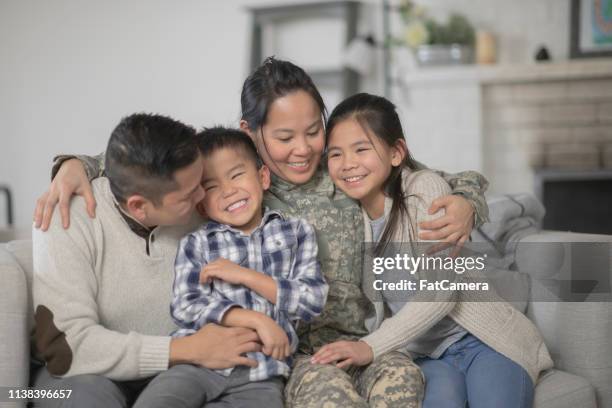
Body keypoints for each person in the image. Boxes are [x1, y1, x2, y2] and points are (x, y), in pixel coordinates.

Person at [34, 57, 490, 407]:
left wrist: (468, 200)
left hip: (364, 339)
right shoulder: (233, 183)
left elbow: (424, 173)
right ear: (250, 135)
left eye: (314, 131)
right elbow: (149, 161)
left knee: (404, 387)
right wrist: (76, 164)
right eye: (284, 138)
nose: (303, 150)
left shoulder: (344, 169)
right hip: (293, 355)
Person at [317, 93, 553, 408]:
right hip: (426, 356)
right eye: (336, 154)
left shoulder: (425, 190)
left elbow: (441, 293)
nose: (348, 164)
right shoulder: (349, 217)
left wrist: (369, 347)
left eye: (361, 149)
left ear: (396, 152)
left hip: (483, 342)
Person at [32, 114, 264, 408]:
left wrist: (75, 161)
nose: (204, 195)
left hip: (181, 373)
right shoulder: (66, 217)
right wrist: (182, 349)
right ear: (139, 206)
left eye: (201, 181)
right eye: (189, 194)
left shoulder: (193, 189)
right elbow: (66, 350)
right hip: (76, 377)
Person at [136, 127, 328, 408]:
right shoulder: (197, 243)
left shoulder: (297, 233)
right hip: (197, 364)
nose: (228, 191)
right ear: (200, 205)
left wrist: (245, 276)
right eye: (211, 187)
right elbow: (185, 305)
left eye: (237, 175)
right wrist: (256, 320)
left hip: (260, 373)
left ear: (263, 177)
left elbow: (312, 300)